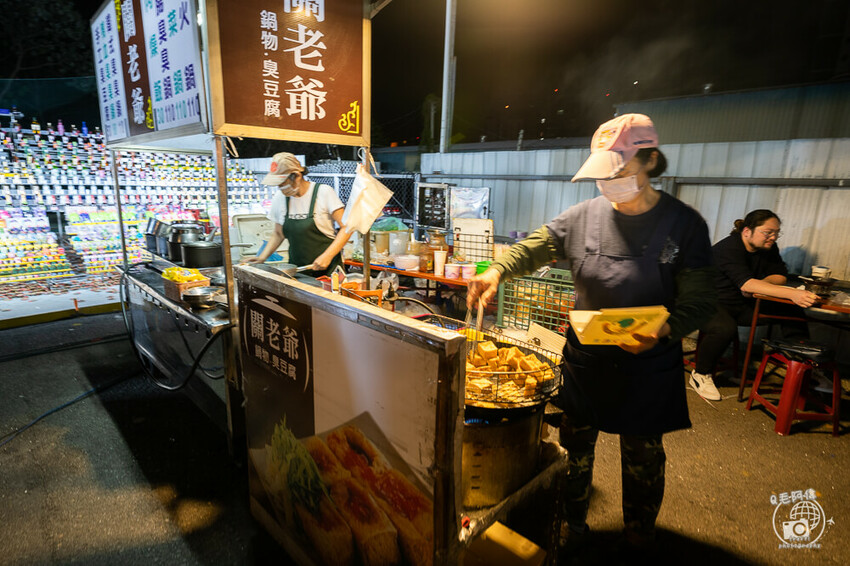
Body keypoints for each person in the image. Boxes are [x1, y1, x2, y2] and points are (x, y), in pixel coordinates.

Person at [466, 114, 717, 554]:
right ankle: (571, 526)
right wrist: (497, 270)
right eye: (601, 174)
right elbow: (535, 246)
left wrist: (666, 329)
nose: (608, 183)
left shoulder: (685, 224)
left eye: (618, 171)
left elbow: (700, 300)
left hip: (649, 360)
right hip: (587, 359)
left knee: (643, 458)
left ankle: (639, 534)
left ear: (650, 159)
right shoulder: (582, 216)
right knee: (574, 450)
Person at [689, 210, 818, 400]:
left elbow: (780, 276)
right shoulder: (729, 248)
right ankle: (700, 374)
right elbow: (747, 284)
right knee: (725, 328)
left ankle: (806, 370)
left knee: (792, 310)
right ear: (747, 231)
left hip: (741, 304)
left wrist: (761, 284)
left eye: (776, 233)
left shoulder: (768, 247)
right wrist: (793, 293)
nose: (772, 237)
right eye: (768, 232)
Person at [245, 152, 350, 276]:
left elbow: (346, 227)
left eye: (282, 183)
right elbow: (278, 234)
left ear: (296, 176)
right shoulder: (280, 198)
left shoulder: (323, 192)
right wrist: (261, 258)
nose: (280, 188)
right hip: (297, 271)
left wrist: (327, 256)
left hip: (329, 272)